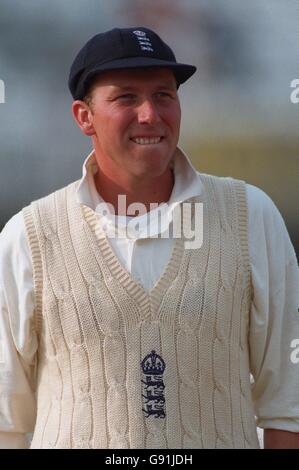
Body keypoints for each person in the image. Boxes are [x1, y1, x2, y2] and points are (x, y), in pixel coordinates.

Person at [0, 26, 298, 450]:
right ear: (84, 116)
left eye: (164, 95)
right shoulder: (28, 237)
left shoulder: (251, 216)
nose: (150, 115)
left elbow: (289, 401)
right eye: (125, 97)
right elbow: (5, 421)